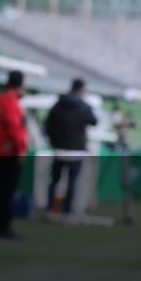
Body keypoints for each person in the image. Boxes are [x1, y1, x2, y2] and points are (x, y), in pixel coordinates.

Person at [44, 78, 97, 216]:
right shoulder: (85, 107)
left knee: (55, 180)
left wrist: (53, 141)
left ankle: (50, 208)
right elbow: (94, 121)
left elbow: (48, 125)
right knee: (72, 182)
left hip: (59, 149)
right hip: (77, 150)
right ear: (81, 89)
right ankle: (67, 209)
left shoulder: (57, 104)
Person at [0, 70, 29, 239]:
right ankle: (3, 227)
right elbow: (14, 127)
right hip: (10, 152)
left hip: (1, 150)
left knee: (0, 190)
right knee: (7, 190)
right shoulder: (10, 101)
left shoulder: (0, 100)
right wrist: (21, 149)